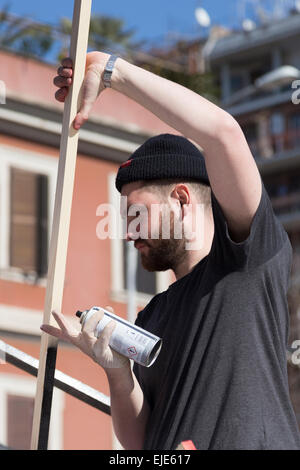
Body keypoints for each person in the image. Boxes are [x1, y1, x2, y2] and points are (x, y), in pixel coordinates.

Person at [41, 52, 300, 450]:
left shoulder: (246, 260)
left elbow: (223, 134)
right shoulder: (152, 315)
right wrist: (117, 373)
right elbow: (138, 442)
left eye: (137, 213)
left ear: (181, 199)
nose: (128, 233)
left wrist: (113, 72)